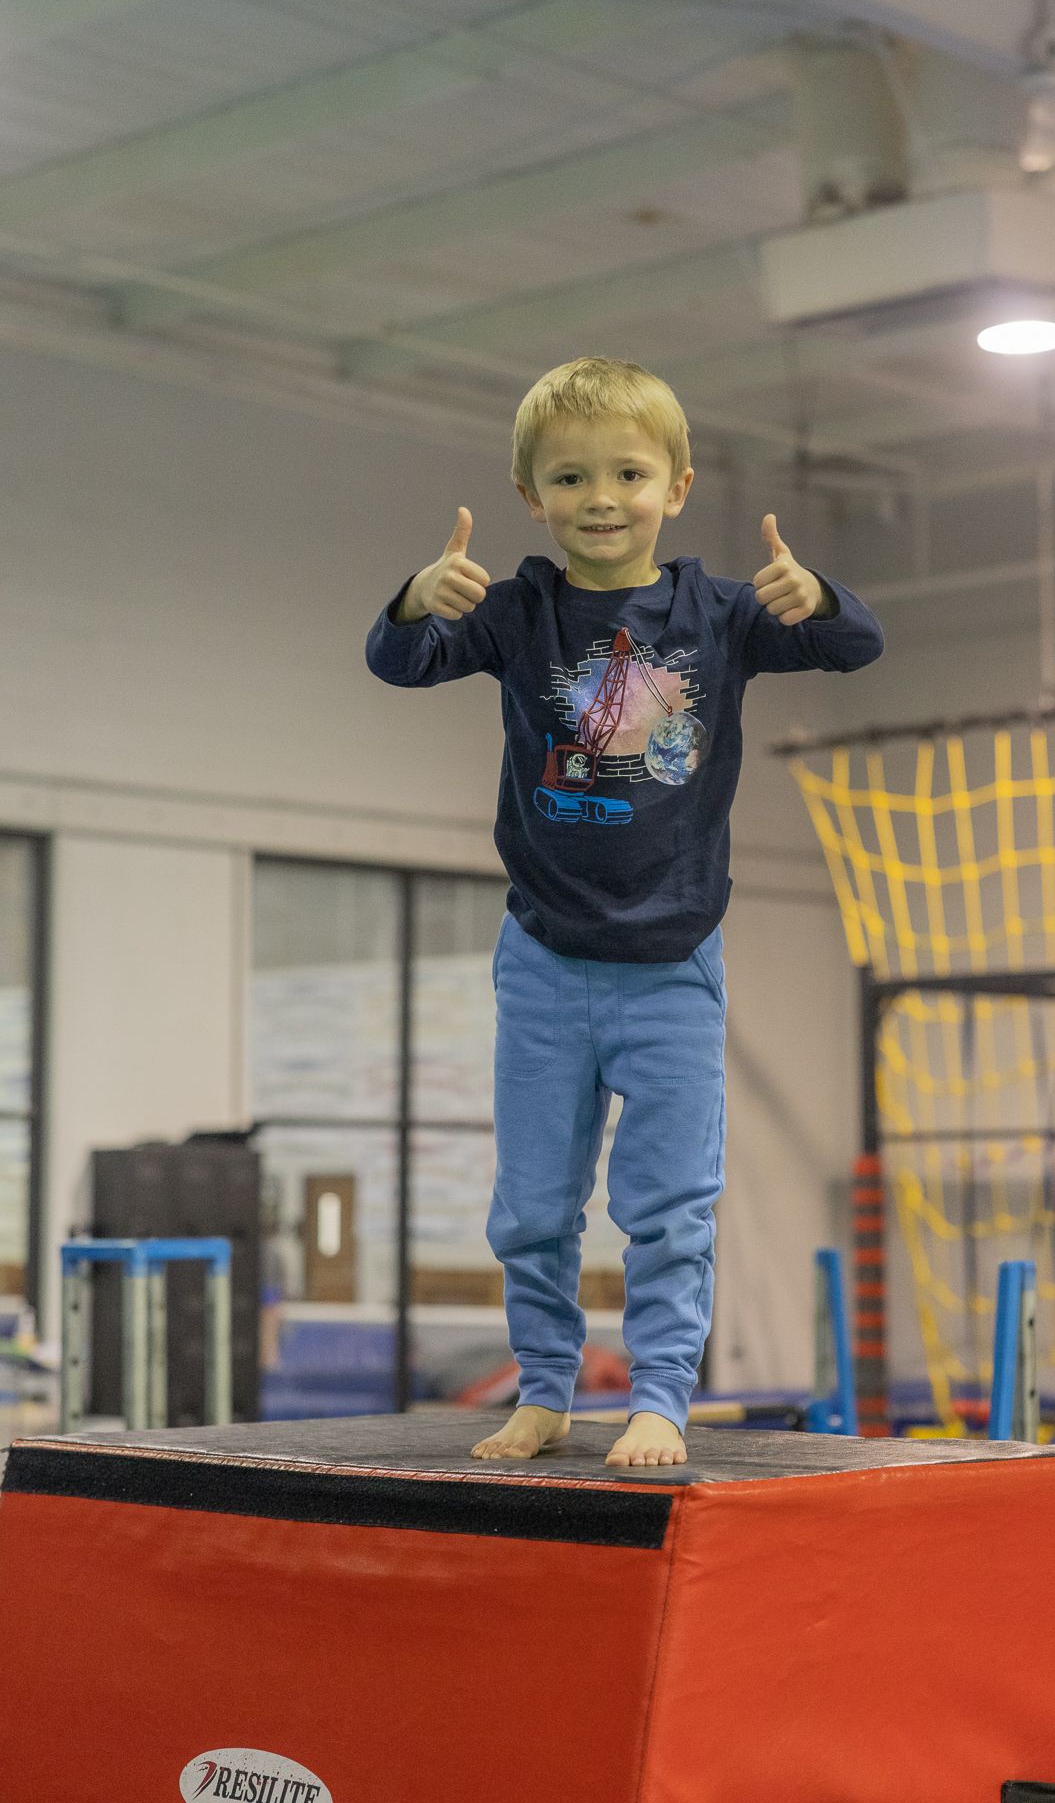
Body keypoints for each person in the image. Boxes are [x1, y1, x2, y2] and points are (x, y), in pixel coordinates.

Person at [365, 356, 883, 1467]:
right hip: (545, 959)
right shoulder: (516, 613)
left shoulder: (721, 616)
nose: (602, 497)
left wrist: (820, 595)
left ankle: (658, 1394)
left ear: (678, 485)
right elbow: (398, 662)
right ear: (529, 496)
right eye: (570, 477)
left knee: (668, 1202)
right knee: (533, 1206)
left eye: (629, 473)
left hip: (671, 960)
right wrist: (416, 599)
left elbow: (854, 646)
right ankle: (544, 1388)